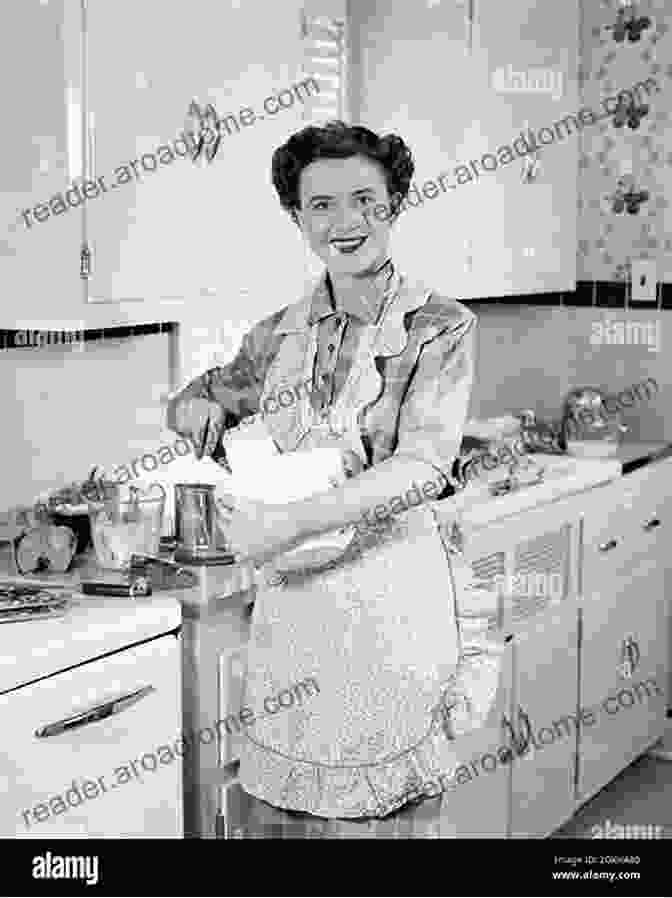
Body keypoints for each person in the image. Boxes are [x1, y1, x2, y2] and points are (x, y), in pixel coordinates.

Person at [167, 121, 503, 838]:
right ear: (296, 217)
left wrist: (287, 521)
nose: (344, 223)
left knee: (386, 827)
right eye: (320, 205)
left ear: (395, 205)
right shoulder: (276, 334)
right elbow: (202, 397)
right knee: (291, 823)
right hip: (297, 614)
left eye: (364, 201)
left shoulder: (439, 327)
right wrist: (194, 405)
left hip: (392, 605)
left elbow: (422, 467)